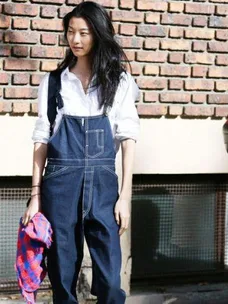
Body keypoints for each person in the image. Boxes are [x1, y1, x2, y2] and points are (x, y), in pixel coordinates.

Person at [22, 1, 140, 303]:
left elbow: (128, 139)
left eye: (84, 33)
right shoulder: (53, 83)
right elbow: (41, 140)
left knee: (111, 278)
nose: (75, 40)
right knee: (62, 274)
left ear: (98, 34)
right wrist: (35, 197)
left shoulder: (120, 82)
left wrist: (125, 197)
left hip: (103, 188)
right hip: (60, 186)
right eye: (71, 32)